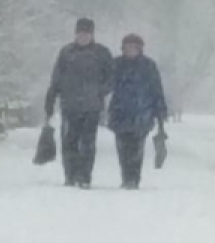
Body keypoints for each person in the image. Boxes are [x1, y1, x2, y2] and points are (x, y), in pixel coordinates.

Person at [44, 18, 114, 188]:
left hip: (92, 107)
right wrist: (51, 98)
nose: (83, 36)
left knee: (88, 143)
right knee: (69, 141)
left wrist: (100, 91)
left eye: (87, 33)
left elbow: (111, 77)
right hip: (70, 105)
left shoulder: (102, 53)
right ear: (75, 34)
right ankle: (70, 174)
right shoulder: (67, 53)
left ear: (92, 34)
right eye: (80, 33)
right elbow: (57, 78)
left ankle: (84, 176)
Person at [108, 33, 168, 190]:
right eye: (128, 47)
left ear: (140, 49)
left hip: (142, 114)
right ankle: (126, 176)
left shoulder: (148, 66)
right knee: (122, 147)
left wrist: (160, 111)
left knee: (137, 147)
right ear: (123, 48)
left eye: (134, 47)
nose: (131, 50)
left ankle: (133, 178)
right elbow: (105, 86)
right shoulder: (115, 65)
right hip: (119, 112)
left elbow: (157, 90)